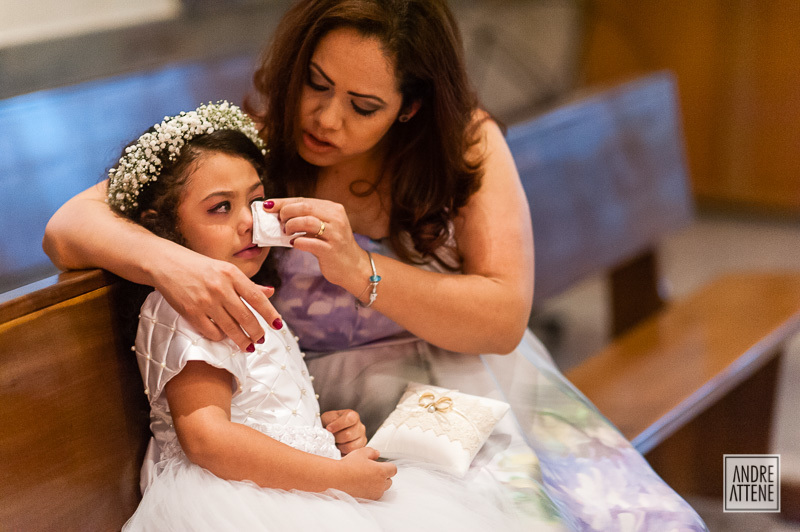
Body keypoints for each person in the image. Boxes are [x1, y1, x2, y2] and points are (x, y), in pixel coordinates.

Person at [44, 1, 708, 529]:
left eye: (364, 107)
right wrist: (170, 262)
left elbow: (504, 318)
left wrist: (360, 269)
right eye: (315, 83)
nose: (325, 119)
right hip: (329, 407)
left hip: (466, 382)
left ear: (410, 107)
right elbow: (69, 225)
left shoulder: (463, 147)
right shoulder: (252, 143)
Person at [115, 102, 522, 530]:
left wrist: (319, 435)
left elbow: (259, 412)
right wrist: (334, 476)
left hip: (276, 484)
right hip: (234, 500)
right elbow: (206, 439)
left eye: (256, 201)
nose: (247, 222)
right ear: (160, 226)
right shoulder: (189, 303)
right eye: (219, 207)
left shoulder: (244, 295)